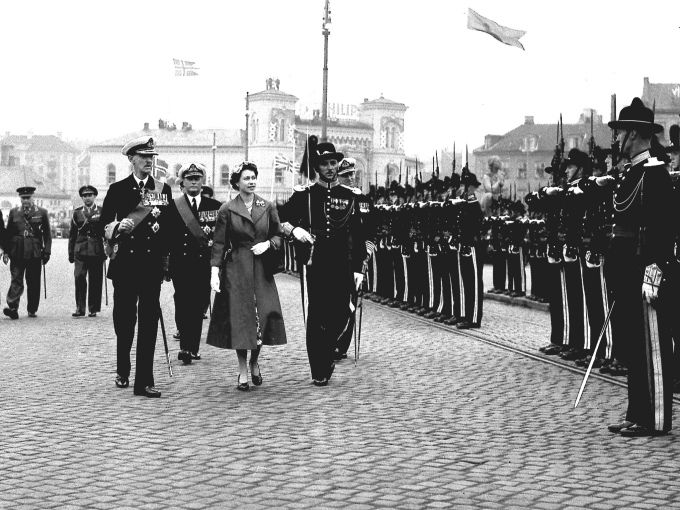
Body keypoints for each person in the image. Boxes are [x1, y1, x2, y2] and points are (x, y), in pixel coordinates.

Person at [603, 98, 675, 437]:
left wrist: (653, 271)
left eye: (621, 133)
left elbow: (662, 229)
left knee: (653, 346)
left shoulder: (655, 174)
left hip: (646, 271)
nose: (617, 140)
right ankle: (637, 412)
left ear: (634, 134)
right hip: (626, 269)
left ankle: (656, 418)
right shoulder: (631, 174)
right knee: (634, 344)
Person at [279, 138, 367, 386]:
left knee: (342, 310)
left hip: (342, 262)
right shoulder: (305, 195)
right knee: (317, 314)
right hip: (315, 261)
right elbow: (280, 219)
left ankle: (327, 351)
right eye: (324, 164)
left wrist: (360, 268)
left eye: (333, 162)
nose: (330, 167)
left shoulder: (350, 196)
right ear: (317, 167)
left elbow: (359, 235)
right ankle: (318, 367)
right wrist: (294, 231)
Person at [100, 136, 174, 398]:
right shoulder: (118, 189)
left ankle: (144, 380)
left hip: (151, 265)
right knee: (124, 320)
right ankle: (123, 366)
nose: (148, 161)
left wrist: (167, 263)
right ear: (131, 159)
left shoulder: (163, 190)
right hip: (126, 265)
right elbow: (103, 224)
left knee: (148, 321)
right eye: (143, 157)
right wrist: (118, 226)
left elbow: (169, 227)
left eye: (151, 157)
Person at [207, 161, 287, 390]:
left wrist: (268, 244)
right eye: (246, 178)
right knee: (241, 319)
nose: (251, 182)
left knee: (262, 316)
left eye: (254, 177)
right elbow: (219, 243)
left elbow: (279, 235)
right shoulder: (227, 209)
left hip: (261, 268)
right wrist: (215, 271)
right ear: (237, 182)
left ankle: (254, 362)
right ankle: (242, 370)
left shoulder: (267, 206)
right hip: (237, 268)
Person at [169, 162, 222, 364]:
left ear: (203, 181)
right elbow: (167, 237)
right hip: (180, 263)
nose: (193, 181)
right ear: (182, 181)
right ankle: (185, 347)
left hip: (204, 264)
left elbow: (220, 237)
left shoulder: (215, 206)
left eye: (197, 178)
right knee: (182, 302)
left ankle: (193, 347)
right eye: (189, 178)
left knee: (199, 304)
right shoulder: (174, 206)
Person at [3, 187, 51, 319]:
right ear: (20, 198)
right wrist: (6, 251)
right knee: (16, 279)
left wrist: (47, 252)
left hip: (34, 252)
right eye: (23, 198)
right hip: (17, 251)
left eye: (28, 198)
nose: (26, 200)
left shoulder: (42, 212)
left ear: (33, 197)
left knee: (33, 281)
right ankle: (13, 307)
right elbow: (8, 233)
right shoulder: (14, 212)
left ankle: (32, 308)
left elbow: (47, 234)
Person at [68, 185, 106, 318]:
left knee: (95, 279)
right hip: (80, 249)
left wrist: (107, 249)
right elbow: (72, 234)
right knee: (79, 277)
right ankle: (80, 308)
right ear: (82, 197)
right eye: (84, 195)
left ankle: (93, 308)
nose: (87, 198)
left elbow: (107, 232)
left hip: (96, 249)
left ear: (94, 196)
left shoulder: (102, 211)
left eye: (90, 195)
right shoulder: (77, 213)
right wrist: (70, 253)